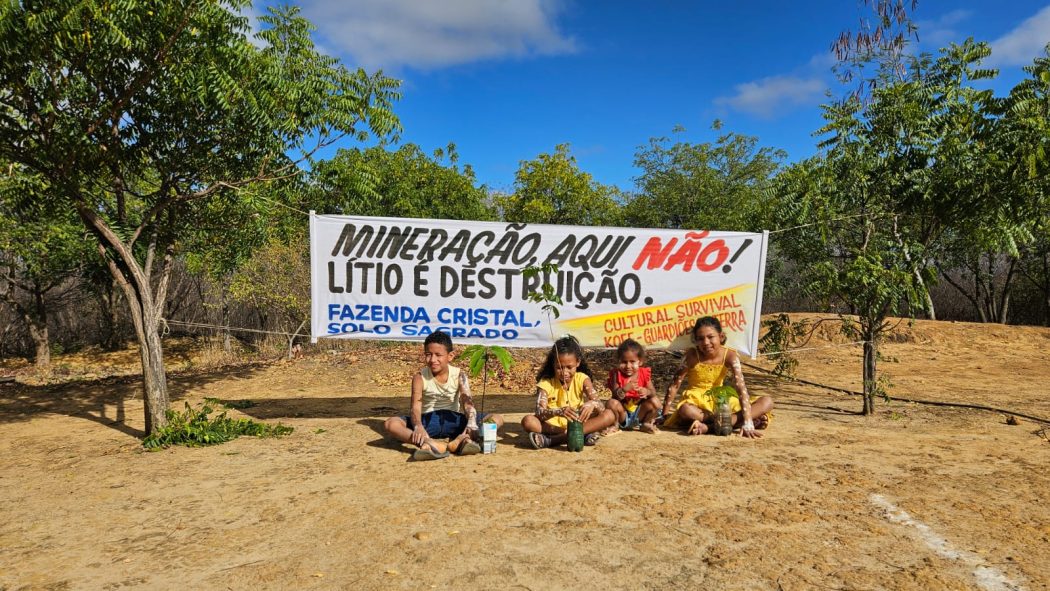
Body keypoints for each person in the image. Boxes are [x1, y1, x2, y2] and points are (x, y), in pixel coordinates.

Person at [384, 331, 504, 460]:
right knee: (391, 423)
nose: (433, 360)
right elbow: (416, 407)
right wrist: (418, 426)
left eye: (438, 355)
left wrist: (471, 422)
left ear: (450, 356)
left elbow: (467, 402)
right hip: (428, 422)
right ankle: (428, 442)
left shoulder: (459, 375)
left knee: (496, 418)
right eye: (428, 355)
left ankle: (462, 439)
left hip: (454, 420)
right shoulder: (419, 377)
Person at [662, 316, 773, 438]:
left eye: (710, 337)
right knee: (685, 410)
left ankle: (708, 427)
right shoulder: (691, 356)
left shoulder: (730, 355)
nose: (705, 342)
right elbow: (674, 385)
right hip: (696, 401)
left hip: (721, 400)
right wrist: (664, 415)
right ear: (695, 341)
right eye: (700, 338)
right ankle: (732, 421)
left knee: (767, 402)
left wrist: (748, 422)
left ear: (721, 337)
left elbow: (740, 387)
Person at [522, 336, 620, 449]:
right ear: (553, 364)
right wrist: (559, 412)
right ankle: (583, 435)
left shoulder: (583, 379)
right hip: (554, 426)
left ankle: (551, 441)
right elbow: (539, 412)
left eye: (569, 367)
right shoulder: (546, 383)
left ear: (578, 362)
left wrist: (592, 404)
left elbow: (600, 406)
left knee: (609, 414)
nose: (564, 372)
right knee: (528, 421)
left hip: (579, 423)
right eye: (559, 368)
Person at [606, 338, 662, 433]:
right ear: (618, 361)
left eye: (632, 362)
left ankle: (646, 423)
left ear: (640, 362)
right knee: (611, 403)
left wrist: (646, 391)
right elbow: (615, 396)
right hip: (622, 414)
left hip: (639, 413)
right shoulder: (617, 374)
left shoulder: (643, 373)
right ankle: (615, 425)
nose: (628, 366)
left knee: (655, 401)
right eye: (624, 362)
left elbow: (653, 392)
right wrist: (624, 390)